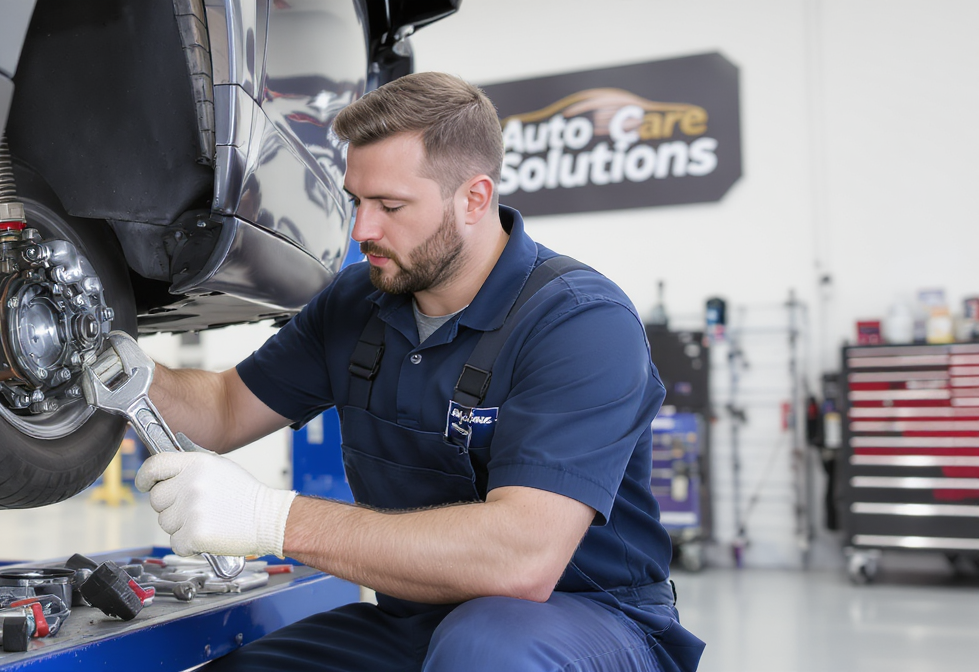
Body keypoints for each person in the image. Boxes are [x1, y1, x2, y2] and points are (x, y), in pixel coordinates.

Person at [136, 72, 705, 671]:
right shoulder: (355, 303)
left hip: (587, 620)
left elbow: (522, 557)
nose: (363, 231)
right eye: (357, 200)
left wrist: (269, 519)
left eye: (391, 206)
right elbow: (225, 410)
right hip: (416, 620)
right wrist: (115, 367)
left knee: (486, 653)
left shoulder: (579, 323)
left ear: (474, 199)